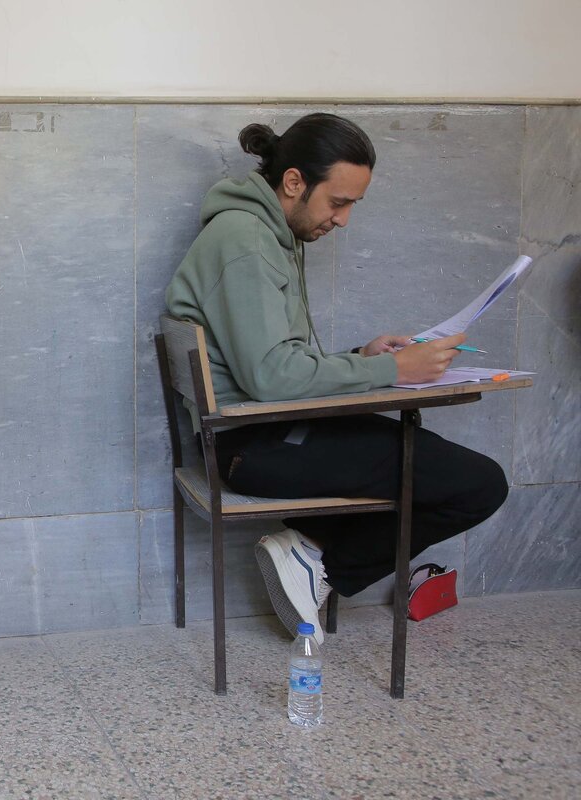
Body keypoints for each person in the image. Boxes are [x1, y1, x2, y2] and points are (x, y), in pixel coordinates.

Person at [165, 113, 508, 644]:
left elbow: (270, 362)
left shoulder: (265, 235)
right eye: (338, 202)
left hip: (271, 432)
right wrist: (392, 369)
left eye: (352, 205)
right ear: (294, 182)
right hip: (258, 446)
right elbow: (272, 377)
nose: (343, 220)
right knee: (478, 484)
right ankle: (315, 553)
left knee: (443, 464)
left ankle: (309, 546)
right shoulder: (245, 240)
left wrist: (361, 357)